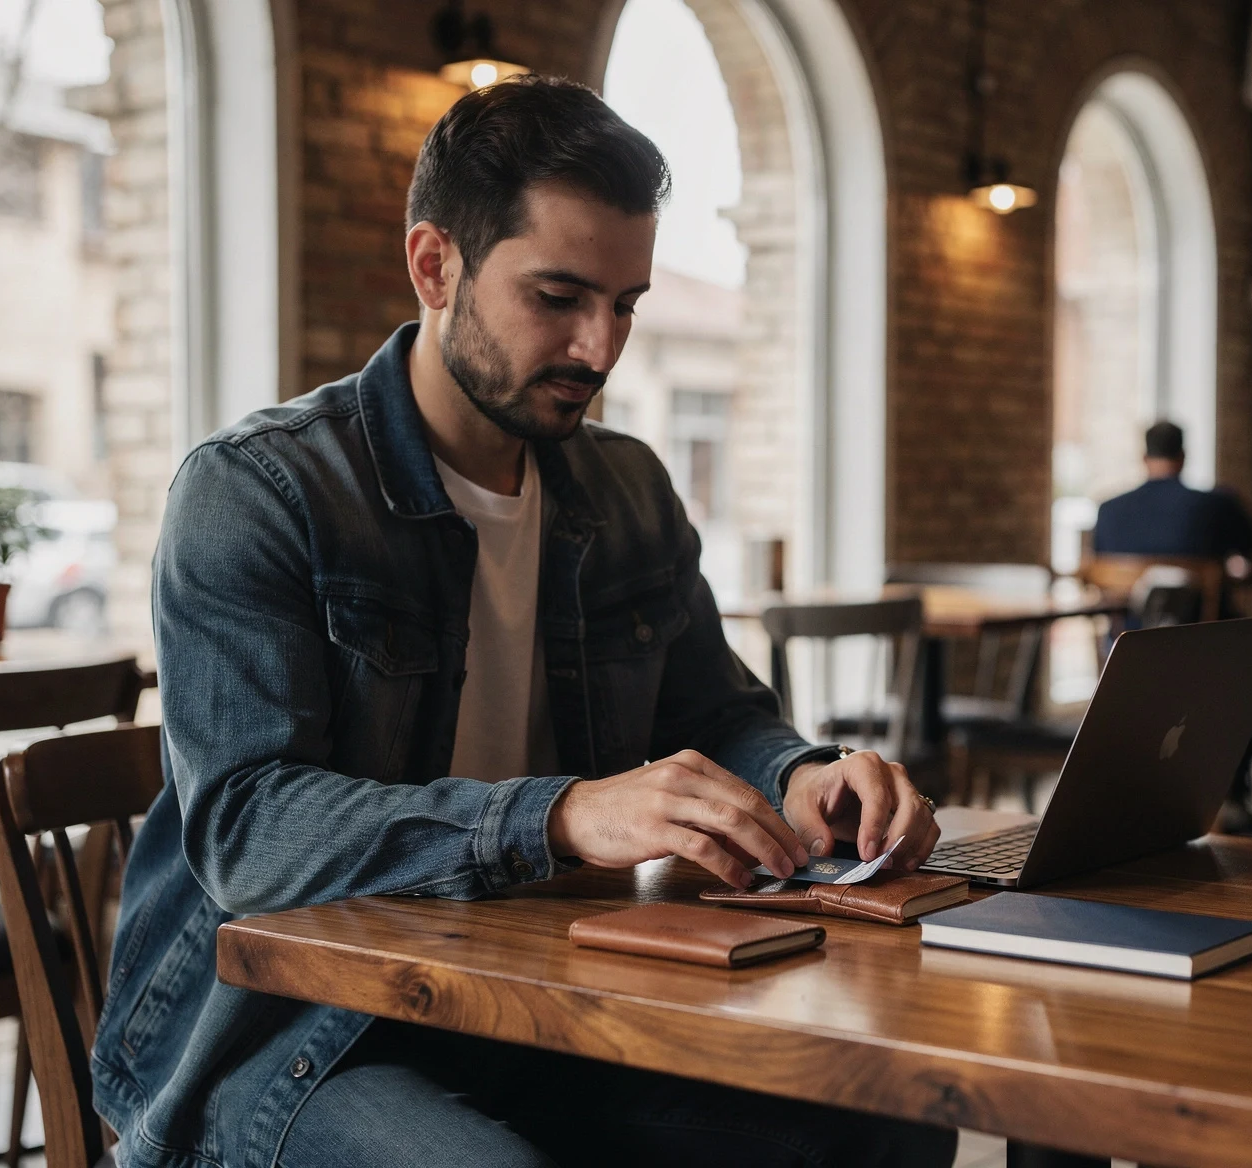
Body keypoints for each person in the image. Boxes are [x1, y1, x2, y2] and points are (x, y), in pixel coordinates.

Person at [93, 76, 952, 1168]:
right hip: (282, 1039)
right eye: (558, 296)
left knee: (878, 1119)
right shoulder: (259, 492)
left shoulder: (627, 487)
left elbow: (717, 710)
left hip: (536, 1003)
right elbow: (249, 831)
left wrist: (802, 775)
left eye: (626, 302)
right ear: (434, 265)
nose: (601, 347)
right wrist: (560, 818)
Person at [1091, 421, 1252, 569]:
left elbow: (1096, 571)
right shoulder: (1219, 505)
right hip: (1202, 610)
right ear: (1183, 457)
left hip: (1128, 611)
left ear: (1144, 458)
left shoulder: (1108, 511)